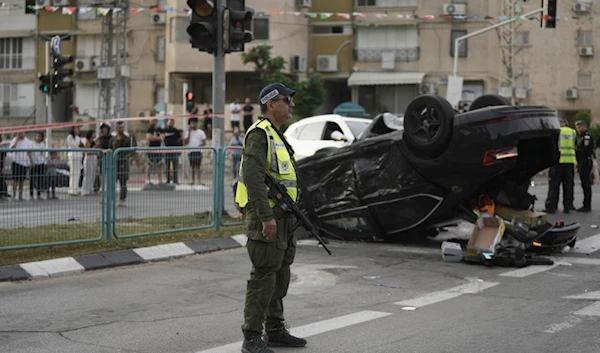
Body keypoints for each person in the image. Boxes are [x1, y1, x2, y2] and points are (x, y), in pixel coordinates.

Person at [235, 83, 307, 353]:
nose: (291, 105)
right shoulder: (259, 134)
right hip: (267, 217)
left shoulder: (278, 135)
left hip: (285, 218)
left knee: (281, 276)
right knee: (264, 277)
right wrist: (266, 217)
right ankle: (252, 337)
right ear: (270, 104)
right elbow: (252, 179)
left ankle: (275, 329)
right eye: (286, 100)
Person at [544, 119, 576, 214]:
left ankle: (551, 207)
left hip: (557, 161)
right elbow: (574, 144)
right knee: (568, 185)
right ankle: (568, 206)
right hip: (570, 161)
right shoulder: (572, 132)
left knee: (554, 185)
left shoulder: (556, 132)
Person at [109, 122, 136, 206]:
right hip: (114, 163)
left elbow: (133, 149)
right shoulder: (112, 139)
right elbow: (109, 149)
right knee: (112, 182)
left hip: (123, 163)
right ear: (115, 128)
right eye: (119, 127)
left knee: (123, 182)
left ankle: (122, 199)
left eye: (122, 127)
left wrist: (128, 155)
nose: (120, 129)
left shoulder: (127, 139)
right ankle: (111, 198)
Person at [575, 119, 595, 212]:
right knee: (584, 183)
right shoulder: (581, 137)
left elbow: (586, 150)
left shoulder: (586, 137)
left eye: (579, 127)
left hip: (586, 162)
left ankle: (587, 205)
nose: (578, 129)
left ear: (584, 126)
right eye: (577, 127)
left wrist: (576, 150)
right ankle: (585, 204)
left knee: (586, 183)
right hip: (582, 162)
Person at [9, 131, 33, 201]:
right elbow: (11, 149)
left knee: (22, 180)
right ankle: (14, 195)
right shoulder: (14, 140)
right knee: (15, 180)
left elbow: (29, 152)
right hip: (16, 162)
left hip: (24, 163)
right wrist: (16, 140)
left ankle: (20, 195)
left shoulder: (28, 141)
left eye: (22, 133)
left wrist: (31, 161)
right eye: (19, 133)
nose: (21, 135)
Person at [183, 118, 207, 185]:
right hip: (190, 151)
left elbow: (204, 142)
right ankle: (192, 180)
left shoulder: (201, 132)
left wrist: (198, 146)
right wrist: (189, 133)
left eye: (194, 123)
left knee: (198, 166)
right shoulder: (188, 132)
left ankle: (199, 180)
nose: (193, 124)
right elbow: (186, 142)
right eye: (192, 123)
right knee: (192, 166)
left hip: (198, 151)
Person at [146, 119, 165, 185]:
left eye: (152, 121)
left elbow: (162, 138)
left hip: (159, 149)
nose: (150, 122)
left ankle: (160, 180)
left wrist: (154, 137)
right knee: (149, 164)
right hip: (151, 149)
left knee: (160, 165)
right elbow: (148, 138)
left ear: (155, 121)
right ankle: (148, 179)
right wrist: (157, 137)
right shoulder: (149, 129)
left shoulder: (161, 129)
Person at [30, 132, 48, 200]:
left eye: (40, 137)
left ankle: (38, 194)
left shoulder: (42, 145)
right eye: (37, 136)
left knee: (39, 179)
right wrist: (31, 162)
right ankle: (31, 195)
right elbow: (30, 153)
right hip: (33, 163)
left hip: (40, 163)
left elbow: (44, 154)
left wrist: (45, 162)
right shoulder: (32, 144)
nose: (38, 138)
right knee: (32, 179)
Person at [163, 119, 182, 184]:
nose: (171, 124)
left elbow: (179, 139)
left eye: (172, 123)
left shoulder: (176, 131)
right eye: (170, 122)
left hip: (174, 151)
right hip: (166, 151)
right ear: (167, 123)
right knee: (167, 166)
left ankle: (175, 180)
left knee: (175, 166)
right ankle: (168, 180)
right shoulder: (164, 130)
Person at [66, 126, 83, 196]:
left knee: (77, 173)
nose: (77, 130)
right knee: (73, 173)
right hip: (73, 156)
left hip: (78, 156)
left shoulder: (78, 137)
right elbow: (73, 145)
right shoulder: (70, 137)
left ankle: (75, 188)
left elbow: (81, 145)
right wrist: (79, 145)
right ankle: (72, 189)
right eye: (76, 128)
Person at [82, 130, 100, 196]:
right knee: (88, 174)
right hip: (89, 158)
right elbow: (87, 151)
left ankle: (90, 188)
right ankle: (85, 190)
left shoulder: (93, 141)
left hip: (94, 157)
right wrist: (96, 146)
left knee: (93, 174)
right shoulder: (87, 141)